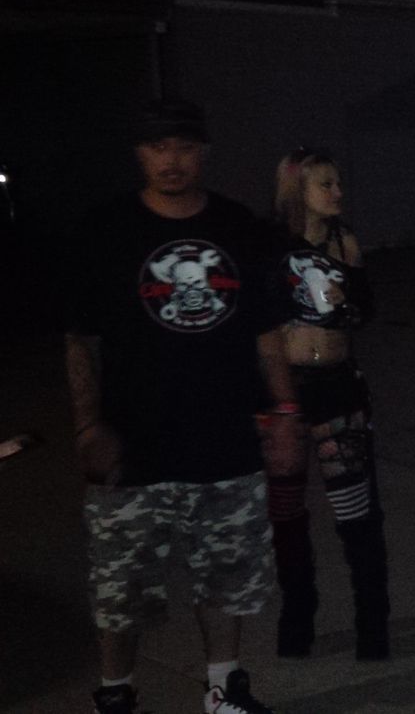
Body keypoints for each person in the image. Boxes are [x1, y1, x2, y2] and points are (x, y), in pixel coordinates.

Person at [66, 100, 287, 714]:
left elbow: (266, 331)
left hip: (225, 438)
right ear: (140, 154)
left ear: (203, 152)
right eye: (157, 147)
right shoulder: (105, 229)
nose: (171, 159)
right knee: (121, 589)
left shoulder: (237, 225)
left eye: (184, 146)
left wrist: (286, 411)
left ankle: (223, 689)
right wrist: (87, 425)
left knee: (227, 576)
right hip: (132, 443)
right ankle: (115, 694)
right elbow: (81, 338)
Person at [264, 147, 389, 660]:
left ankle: (372, 626)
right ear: (298, 190)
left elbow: (367, 310)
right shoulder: (270, 243)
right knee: (287, 516)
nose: (338, 193)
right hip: (286, 391)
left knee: (357, 515)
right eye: (326, 184)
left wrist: (347, 302)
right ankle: (297, 618)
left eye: (338, 183)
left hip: (338, 386)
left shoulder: (344, 241)